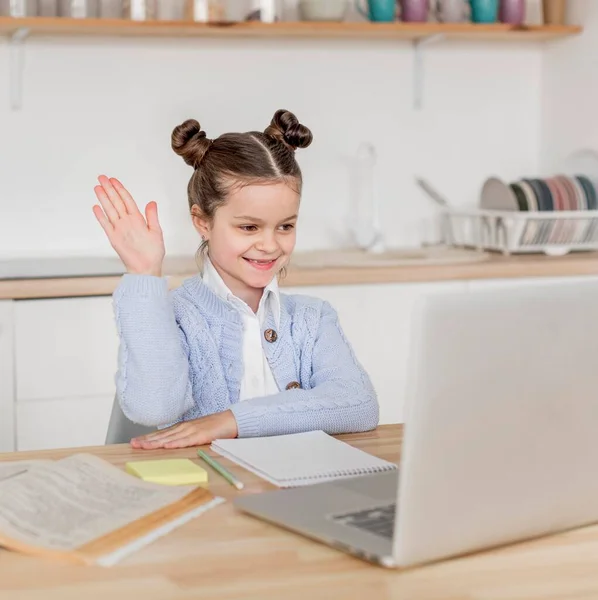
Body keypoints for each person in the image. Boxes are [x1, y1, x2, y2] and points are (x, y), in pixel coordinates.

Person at [93, 109, 379, 450]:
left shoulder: (312, 319)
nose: (270, 244)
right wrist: (144, 273)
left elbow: (358, 404)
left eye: (285, 226)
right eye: (249, 227)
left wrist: (230, 421)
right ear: (202, 221)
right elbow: (154, 407)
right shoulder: (174, 316)